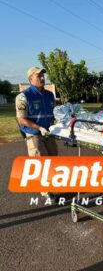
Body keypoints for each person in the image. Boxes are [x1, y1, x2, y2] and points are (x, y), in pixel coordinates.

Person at [15, 67, 57, 200]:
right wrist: (39, 128)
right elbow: (21, 119)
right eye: (38, 76)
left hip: (48, 133)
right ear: (30, 79)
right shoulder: (23, 96)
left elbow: (54, 114)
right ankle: (46, 192)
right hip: (34, 134)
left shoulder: (49, 95)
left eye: (43, 76)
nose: (42, 78)